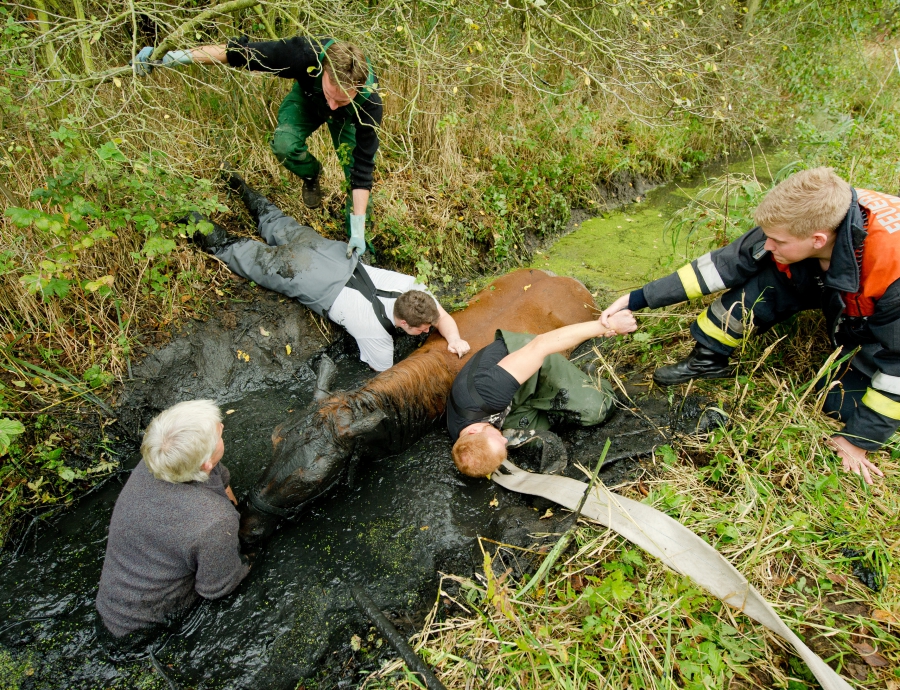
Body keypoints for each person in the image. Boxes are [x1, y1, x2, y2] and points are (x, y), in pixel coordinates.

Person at [601, 167, 900, 485]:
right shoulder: (808, 214)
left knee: (840, 402)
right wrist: (637, 299)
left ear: (818, 240)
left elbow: (898, 368)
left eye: (778, 240)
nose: (767, 244)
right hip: (841, 277)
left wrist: (858, 441)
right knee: (766, 275)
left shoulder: (890, 271)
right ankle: (708, 360)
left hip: (884, 319)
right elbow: (725, 264)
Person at [189, 174, 470, 372]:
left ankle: (234, 179)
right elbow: (384, 374)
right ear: (403, 322)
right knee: (235, 251)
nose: (426, 330)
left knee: (273, 220)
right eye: (421, 328)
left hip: (326, 252)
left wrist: (454, 338)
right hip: (300, 272)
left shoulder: (413, 288)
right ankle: (184, 214)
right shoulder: (376, 335)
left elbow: (441, 316)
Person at [133, 36, 381, 255]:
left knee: (354, 179)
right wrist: (170, 58)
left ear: (357, 88)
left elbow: (363, 170)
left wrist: (358, 232)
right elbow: (239, 52)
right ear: (324, 70)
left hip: (349, 120)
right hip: (308, 100)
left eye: (343, 98)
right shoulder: (303, 54)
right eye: (331, 93)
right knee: (285, 145)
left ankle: (358, 245)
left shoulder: (369, 103)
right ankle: (311, 173)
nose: (334, 104)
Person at [96, 400, 248, 645]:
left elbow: (220, 480)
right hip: (143, 630)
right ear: (205, 463)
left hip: (112, 601)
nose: (221, 426)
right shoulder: (214, 522)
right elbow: (219, 588)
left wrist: (236, 514)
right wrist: (241, 546)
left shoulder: (158, 463)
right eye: (218, 433)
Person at [447, 312, 637, 477]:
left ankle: (591, 379)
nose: (505, 439)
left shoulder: (487, 392)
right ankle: (562, 394)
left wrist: (607, 325)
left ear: (473, 431)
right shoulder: (465, 440)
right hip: (512, 399)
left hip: (527, 361)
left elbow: (541, 344)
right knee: (544, 432)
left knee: (597, 410)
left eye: (498, 439)